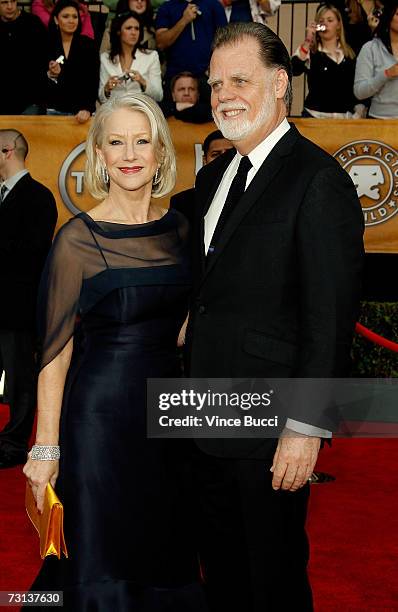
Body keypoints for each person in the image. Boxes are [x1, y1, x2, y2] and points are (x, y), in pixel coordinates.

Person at [185, 22, 364, 612]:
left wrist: (306, 428)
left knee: (274, 575)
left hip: (270, 425)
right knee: (221, 570)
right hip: (201, 413)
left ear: (280, 83)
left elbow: (330, 318)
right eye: (215, 85)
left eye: (240, 80)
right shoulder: (213, 177)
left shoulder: (318, 181)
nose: (223, 96)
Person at [22, 93, 207, 612]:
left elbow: (188, 322)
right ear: (99, 155)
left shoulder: (180, 231)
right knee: (100, 555)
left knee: (165, 548)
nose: (130, 153)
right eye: (117, 142)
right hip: (99, 423)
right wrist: (46, 447)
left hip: (169, 426)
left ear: (160, 153)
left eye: (142, 141)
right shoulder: (76, 240)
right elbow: (55, 353)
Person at [0, 130, 57, 469]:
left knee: (20, 377)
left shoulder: (38, 196)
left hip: (17, 307)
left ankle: (13, 443)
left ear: (8, 151)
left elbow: (34, 253)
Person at [291, 4, 364, 118]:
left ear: (339, 25)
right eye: (321, 21)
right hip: (314, 116)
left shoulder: (350, 55)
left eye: (330, 20)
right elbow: (294, 69)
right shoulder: (311, 52)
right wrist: (308, 39)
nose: (325, 24)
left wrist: (359, 111)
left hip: (344, 118)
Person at [46, 0, 99, 122]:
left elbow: (92, 80)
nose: (71, 20)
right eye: (65, 16)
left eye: (75, 16)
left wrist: (87, 109)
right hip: (53, 110)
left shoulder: (89, 45)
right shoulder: (46, 44)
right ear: (56, 20)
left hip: (82, 113)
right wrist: (51, 75)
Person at [155, 0, 227, 84]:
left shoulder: (214, 5)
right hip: (175, 76)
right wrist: (184, 20)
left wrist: (214, 67)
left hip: (207, 76)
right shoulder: (167, 7)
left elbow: (224, 42)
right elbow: (161, 43)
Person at [170, 129, 234, 223]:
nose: (222, 159)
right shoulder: (182, 202)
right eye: (216, 154)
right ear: (204, 160)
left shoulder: (247, 195)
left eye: (228, 153)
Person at [99, 11, 162, 104]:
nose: (134, 32)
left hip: (141, 111)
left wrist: (143, 82)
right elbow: (101, 98)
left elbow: (159, 96)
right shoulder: (105, 58)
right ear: (118, 31)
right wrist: (107, 88)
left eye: (137, 28)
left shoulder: (152, 56)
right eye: (129, 28)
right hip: (115, 112)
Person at [0, 0, 47, 115]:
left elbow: (45, 58)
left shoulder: (33, 23)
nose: (10, 6)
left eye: (13, 1)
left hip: (30, 102)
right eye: (4, 2)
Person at [354, 0, 398, 118]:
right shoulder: (370, 48)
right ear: (389, 16)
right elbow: (359, 92)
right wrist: (386, 74)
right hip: (379, 120)